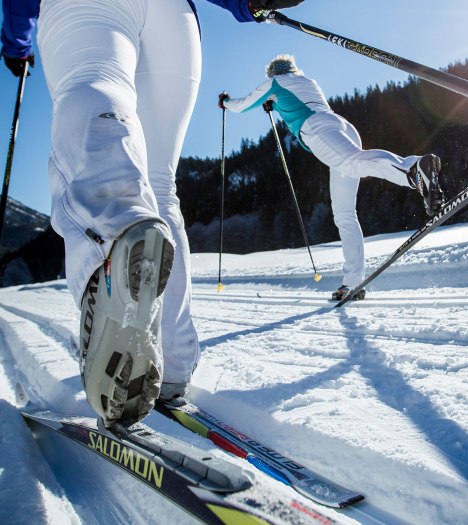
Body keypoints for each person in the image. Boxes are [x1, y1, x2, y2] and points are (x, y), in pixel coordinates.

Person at [0, 0, 304, 427]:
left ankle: (112, 241)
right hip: (174, 18)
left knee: (91, 84)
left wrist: (15, 44)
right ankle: (174, 365)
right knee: (160, 186)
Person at [219, 54, 445, 301]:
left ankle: (412, 169)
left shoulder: (275, 82)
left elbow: (243, 104)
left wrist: (226, 102)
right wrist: (274, 102)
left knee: (352, 163)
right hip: (340, 125)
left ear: (272, 72)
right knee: (345, 213)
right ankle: (352, 282)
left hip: (316, 128)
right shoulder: (305, 80)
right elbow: (292, 99)